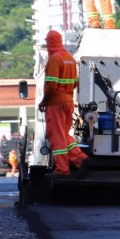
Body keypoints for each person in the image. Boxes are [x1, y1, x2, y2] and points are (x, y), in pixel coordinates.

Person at [38, 30, 90, 177]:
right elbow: (74, 83)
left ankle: (62, 169)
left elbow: (51, 86)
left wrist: (44, 102)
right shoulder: (69, 58)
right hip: (68, 101)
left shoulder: (55, 59)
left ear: (49, 43)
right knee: (63, 134)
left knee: (56, 136)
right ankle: (81, 159)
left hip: (55, 103)